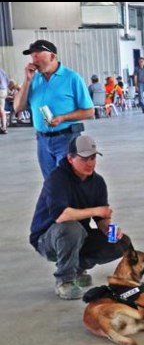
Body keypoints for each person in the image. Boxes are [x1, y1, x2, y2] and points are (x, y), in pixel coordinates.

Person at [29, 135, 127, 300]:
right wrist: (96, 211)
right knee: (70, 228)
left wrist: (110, 229)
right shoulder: (57, 179)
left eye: (93, 157)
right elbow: (61, 216)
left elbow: (101, 219)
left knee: (121, 243)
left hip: (79, 234)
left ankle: (78, 269)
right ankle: (64, 281)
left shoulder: (98, 182)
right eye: (84, 159)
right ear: (70, 158)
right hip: (47, 238)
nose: (90, 163)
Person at [13, 40, 94, 178]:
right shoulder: (33, 80)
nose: (34, 60)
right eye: (32, 56)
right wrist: (27, 81)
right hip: (43, 141)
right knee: (51, 184)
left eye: (38, 55)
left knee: (68, 181)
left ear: (52, 56)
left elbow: (89, 111)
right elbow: (17, 107)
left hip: (67, 139)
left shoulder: (72, 78)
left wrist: (63, 118)